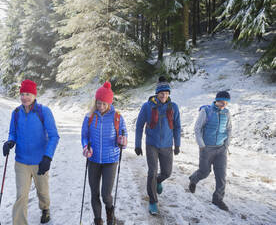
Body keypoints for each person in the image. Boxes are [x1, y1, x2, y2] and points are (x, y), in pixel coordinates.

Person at [3, 79, 60, 225]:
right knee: (21, 195)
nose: (24, 97)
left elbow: (54, 136)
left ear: (34, 95)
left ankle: (45, 208)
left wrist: (47, 157)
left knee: (42, 191)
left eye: (28, 94)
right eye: (22, 94)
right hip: (21, 161)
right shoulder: (16, 113)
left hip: (40, 161)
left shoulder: (44, 112)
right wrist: (10, 142)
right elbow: (12, 133)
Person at [81, 81, 128, 225]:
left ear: (109, 103)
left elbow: (123, 136)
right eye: (98, 103)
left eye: (104, 104)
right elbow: (84, 136)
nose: (100, 106)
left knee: (106, 194)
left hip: (111, 160)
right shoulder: (89, 116)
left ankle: (110, 217)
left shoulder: (117, 117)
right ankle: (98, 220)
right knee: (94, 193)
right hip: (93, 159)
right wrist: (85, 147)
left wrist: (122, 141)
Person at [134, 76, 181, 215]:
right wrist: (137, 144)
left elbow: (177, 127)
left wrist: (177, 144)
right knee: (152, 172)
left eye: (166, 93)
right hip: (152, 144)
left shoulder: (173, 107)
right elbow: (139, 126)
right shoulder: (147, 106)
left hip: (167, 145)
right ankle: (153, 201)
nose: (164, 95)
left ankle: (158, 181)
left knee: (167, 172)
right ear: (157, 93)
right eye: (162, 93)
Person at [188, 91, 232, 211]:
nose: (224, 104)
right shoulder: (206, 111)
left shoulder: (227, 113)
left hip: (221, 149)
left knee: (221, 175)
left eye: (226, 102)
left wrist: (226, 144)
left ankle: (218, 199)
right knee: (205, 171)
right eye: (222, 101)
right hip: (207, 148)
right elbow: (197, 128)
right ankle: (193, 179)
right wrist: (201, 145)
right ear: (216, 100)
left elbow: (229, 129)